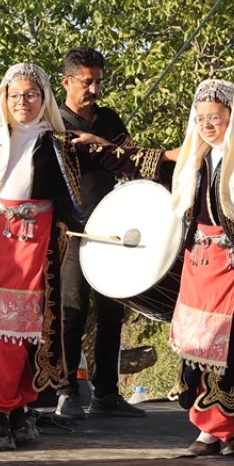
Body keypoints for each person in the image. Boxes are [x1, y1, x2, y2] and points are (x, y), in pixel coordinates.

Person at [78, 79, 234, 457]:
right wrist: (101, 147)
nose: (208, 124)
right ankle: (221, 429)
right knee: (198, 349)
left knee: (231, 352)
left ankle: (219, 429)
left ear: (233, 117)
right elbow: (136, 160)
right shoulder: (190, 162)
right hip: (200, 266)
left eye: (215, 116)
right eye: (201, 118)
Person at [0, 62, 88, 451]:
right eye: (15, 96)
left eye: (31, 95)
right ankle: (1, 411)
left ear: (45, 99)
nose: (23, 102)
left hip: (33, 242)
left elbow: (108, 163)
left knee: (26, 329)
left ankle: (18, 407)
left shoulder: (59, 143)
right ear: (4, 100)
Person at [53, 47, 144, 419]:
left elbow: (133, 158)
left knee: (111, 313)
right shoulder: (53, 120)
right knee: (72, 310)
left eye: (98, 81)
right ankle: (64, 390)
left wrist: (106, 145)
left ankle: (106, 392)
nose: (93, 89)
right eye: (86, 81)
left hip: (110, 229)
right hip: (72, 231)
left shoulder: (108, 119)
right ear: (67, 82)